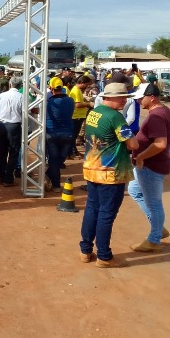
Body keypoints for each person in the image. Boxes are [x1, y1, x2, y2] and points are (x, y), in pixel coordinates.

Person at [80, 82, 139, 268]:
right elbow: (133, 145)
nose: (125, 101)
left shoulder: (94, 113)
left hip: (91, 169)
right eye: (122, 98)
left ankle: (85, 249)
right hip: (110, 173)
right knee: (106, 214)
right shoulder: (116, 117)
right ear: (111, 97)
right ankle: (104, 256)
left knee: (92, 209)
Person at [127, 83, 170, 252]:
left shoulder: (156, 116)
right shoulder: (163, 111)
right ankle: (158, 228)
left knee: (154, 203)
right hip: (153, 164)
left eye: (140, 97)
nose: (138, 101)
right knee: (134, 190)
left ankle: (154, 238)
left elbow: (160, 144)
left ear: (151, 97)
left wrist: (141, 156)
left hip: (150, 165)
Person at [44, 77, 75, 193]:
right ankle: (50, 178)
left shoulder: (48, 102)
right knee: (59, 160)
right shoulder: (70, 100)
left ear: (51, 88)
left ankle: (55, 184)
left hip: (52, 134)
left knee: (54, 160)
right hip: (68, 135)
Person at [0, 76, 23, 186]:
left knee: (1, 151)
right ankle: (8, 177)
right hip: (14, 125)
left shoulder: (2, 95)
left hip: (2, 125)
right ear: (20, 86)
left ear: (10, 85)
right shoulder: (21, 96)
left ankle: (2, 175)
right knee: (14, 151)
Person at [69, 75, 93, 158]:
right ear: (82, 83)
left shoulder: (77, 90)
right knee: (73, 136)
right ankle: (72, 152)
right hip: (76, 116)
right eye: (86, 84)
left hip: (78, 116)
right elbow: (77, 105)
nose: (87, 86)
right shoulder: (76, 90)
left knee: (74, 136)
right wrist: (88, 104)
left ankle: (74, 151)